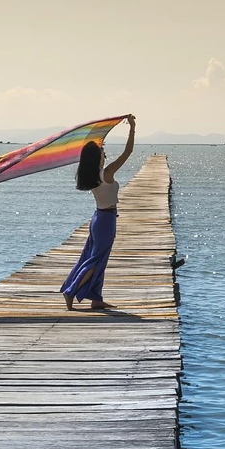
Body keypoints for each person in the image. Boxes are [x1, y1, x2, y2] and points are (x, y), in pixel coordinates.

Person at [61, 114, 136, 310]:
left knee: (94, 257)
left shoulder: (93, 175)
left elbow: (95, 152)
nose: (105, 153)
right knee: (95, 260)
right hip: (105, 221)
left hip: (99, 218)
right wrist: (132, 128)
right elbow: (127, 152)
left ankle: (96, 299)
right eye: (103, 151)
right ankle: (71, 291)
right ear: (98, 157)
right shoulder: (106, 174)